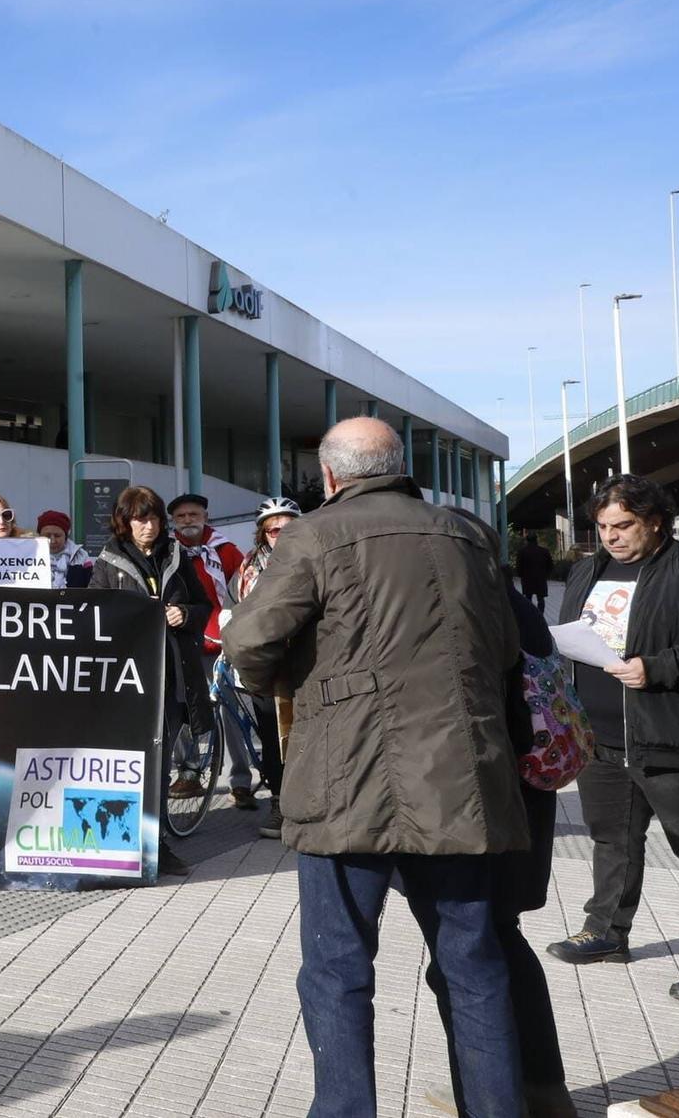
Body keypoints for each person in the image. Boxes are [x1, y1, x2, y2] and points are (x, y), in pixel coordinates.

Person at [223, 417, 529, 1117]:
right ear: (398, 465)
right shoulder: (469, 534)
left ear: (330, 477)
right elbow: (509, 647)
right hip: (460, 779)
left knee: (336, 971)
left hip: (345, 780)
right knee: (474, 966)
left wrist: (291, 684)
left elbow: (249, 640)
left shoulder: (315, 533)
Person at [545, 474, 679, 1010]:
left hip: (673, 735)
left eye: (623, 526)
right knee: (612, 838)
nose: (612, 537)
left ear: (656, 522)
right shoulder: (586, 569)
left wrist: (660, 667)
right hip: (601, 736)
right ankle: (605, 931)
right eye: (602, 527)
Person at [438, 507, 577, 1118]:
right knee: (500, 940)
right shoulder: (515, 603)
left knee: (476, 953)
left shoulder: (474, 608)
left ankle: (508, 1092)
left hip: (494, 800)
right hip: (531, 792)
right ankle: (539, 1087)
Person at [90, 484, 209, 878]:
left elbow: (203, 604)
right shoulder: (108, 559)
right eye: (141, 519)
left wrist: (185, 615)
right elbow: (93, 611)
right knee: (127, 762)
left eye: (155, 518)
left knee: (158, 764)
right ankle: (118, 845)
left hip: (170, 677)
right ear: (125, 522)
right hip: (126, 681)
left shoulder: (176, 554)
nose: (149, 526)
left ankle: (156, 846)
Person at [170, 492, 254, 811]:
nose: (188, 521)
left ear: (205, 517)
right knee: (183, 711)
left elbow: (244, 591)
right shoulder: (170, 553)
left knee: (230, 712)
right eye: (181, 517)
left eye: (193, 515)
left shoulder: (226, 551)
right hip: (184, 642)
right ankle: (189, 772)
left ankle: (240, 780)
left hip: (221, 644)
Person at [233, 496, 300, 840]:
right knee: (273, 739)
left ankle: (306, 806)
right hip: (266, 665)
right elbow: (241, 610)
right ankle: (278, 803)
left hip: (305, 662)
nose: (280, 534)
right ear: (263, 534)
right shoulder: (248, 568)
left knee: (306, 736)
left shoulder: (312, 558)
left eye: (287, 528)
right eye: (273, 530)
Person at [36, 510, 93, 588]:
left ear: (66, 536)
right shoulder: (29, 557)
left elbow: (91, 588)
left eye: (57, 536)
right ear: (39, 535)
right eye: (47, 536)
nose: (52, 541)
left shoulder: (81, 556)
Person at [515, 532, 554, 615]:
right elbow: (550, 565)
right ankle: (541, 615)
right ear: (536, 540)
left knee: (528, 598)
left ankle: (530, 616)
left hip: (527, 579)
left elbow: (518, 566)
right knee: (540, 599)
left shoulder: (522, 552)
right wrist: (546, 575)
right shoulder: (544, 551)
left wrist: (521, 575)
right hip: (540, 579)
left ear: (527, 540)